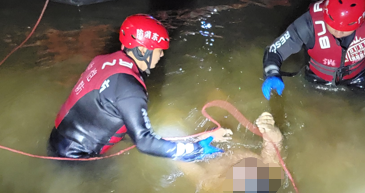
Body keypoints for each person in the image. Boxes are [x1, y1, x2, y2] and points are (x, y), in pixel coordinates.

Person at [48, 15, 229, 160]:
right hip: (76, 156)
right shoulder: (130, 89)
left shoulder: (102, 60)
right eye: (159, 50)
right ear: (142, 51)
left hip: (57, 139)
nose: (161, 56)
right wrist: (196, 149)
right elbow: (145, 143)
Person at [261, 0, 365, 110]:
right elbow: (275, 50)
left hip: (358, 77)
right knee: (311, 110)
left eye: (345, 30)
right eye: (333, 27)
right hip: (317, 77)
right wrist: (272, 73)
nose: (338, 33)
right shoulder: (308, 24)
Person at [175, 113, 284, 193]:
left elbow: (177, 157)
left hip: (205, 150)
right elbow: (274, 144)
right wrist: (269, 128)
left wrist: (200, 140)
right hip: (229, 136)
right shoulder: (270, 173)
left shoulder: (212, 183)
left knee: (171, 119)